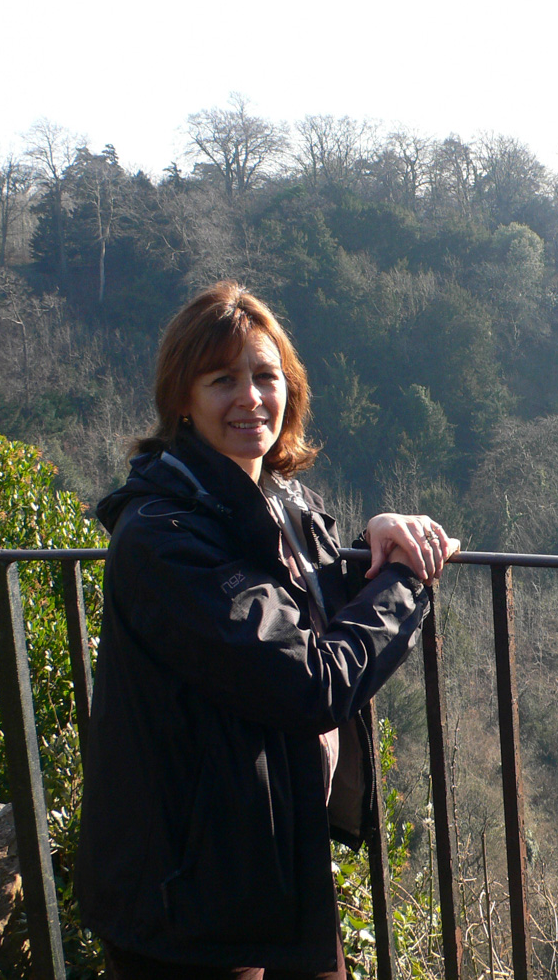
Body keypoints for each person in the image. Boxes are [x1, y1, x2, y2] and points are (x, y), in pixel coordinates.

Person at [78, 281, 458, 980]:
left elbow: (296, 614)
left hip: (272, 874)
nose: (250, 397)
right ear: (182, 400)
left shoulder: (283, 506)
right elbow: (305, 677)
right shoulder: (165, 535)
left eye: (265, 376)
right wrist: (407, 579)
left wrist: (375, 543)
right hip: (190, 902)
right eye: (223, 379)